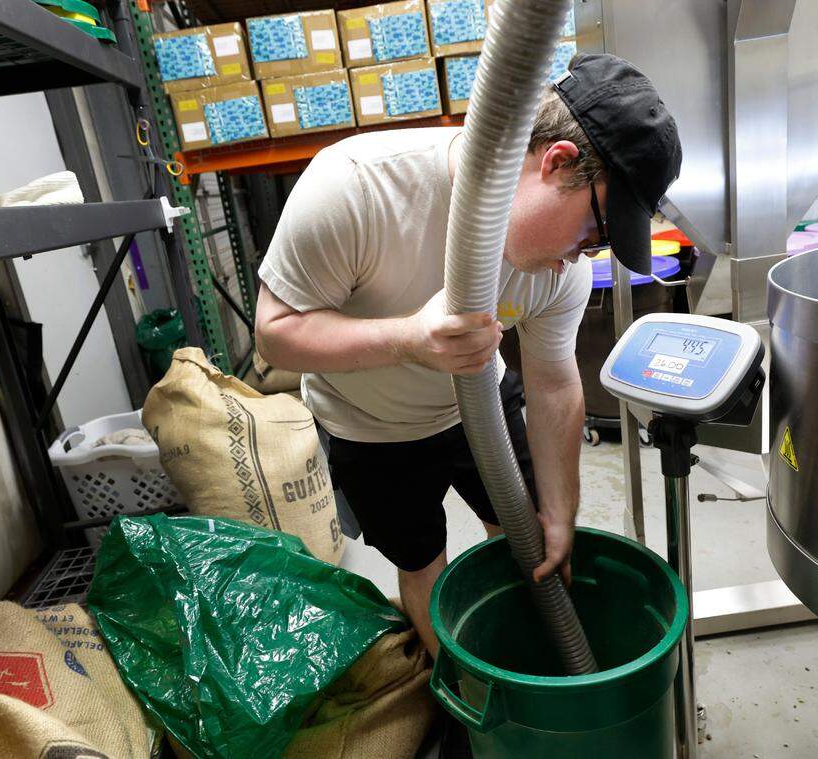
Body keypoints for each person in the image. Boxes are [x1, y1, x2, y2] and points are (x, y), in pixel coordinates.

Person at [255, 54, 682, 656]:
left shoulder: (561, 273)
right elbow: (274, 335)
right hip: (369, 424)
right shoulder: (357, 186)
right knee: (421, 561)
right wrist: (405, 339)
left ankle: (528, 665)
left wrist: (560, 515)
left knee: (524, 538)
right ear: (556, 162)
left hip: (478, 402)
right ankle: (464, 692)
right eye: (596, 233)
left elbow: (554, 386)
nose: (586, 256)